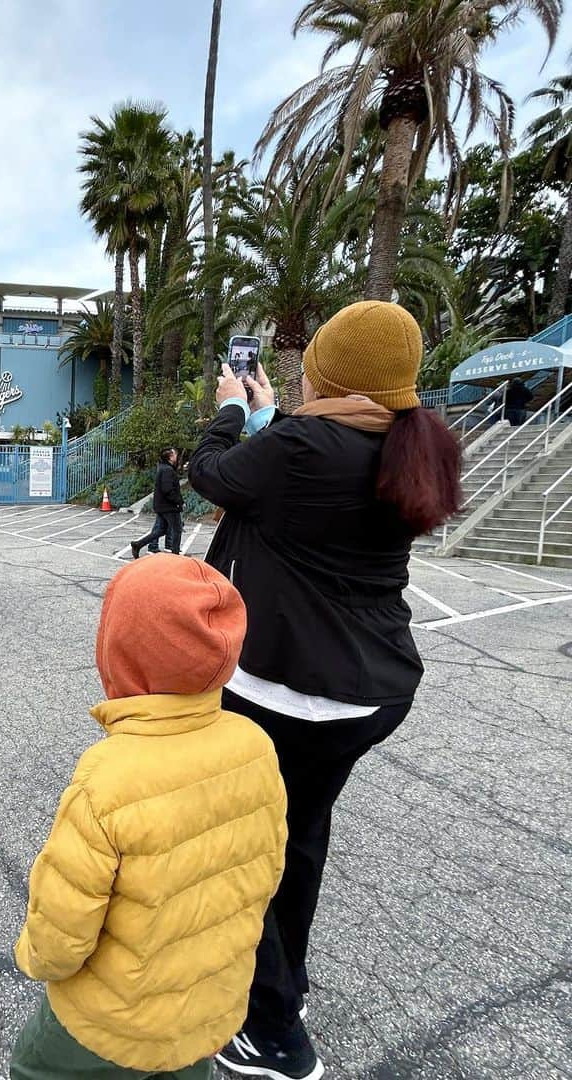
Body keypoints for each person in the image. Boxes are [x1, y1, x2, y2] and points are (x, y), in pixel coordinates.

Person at [188, 301, 462, 1080]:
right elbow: (307, 480)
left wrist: (234, 409)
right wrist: (275, 415)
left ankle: (273, 1035)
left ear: (331, 376)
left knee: (243, 850)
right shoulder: (417, 443)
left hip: (289, 689)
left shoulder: (307, 444)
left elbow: (215, 473)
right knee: (300, 831)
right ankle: (289, 984)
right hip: (370, 689)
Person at [10, 556, 287, 1079]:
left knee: (33, 1068)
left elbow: (64, 927)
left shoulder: (107, 776)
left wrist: (36, 961)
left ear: (119, 655)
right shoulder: (256, 745)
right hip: (209, 1001)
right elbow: (266, 874)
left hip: (112, 1017)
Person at [130, 447, 183, 559]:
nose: (176, 456)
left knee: (161, 530)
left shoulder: (164, 468)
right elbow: (167, 489)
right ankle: (175, 556)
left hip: (163, 506)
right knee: (176, 530)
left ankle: (138, 544)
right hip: (169, 507)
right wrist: (178, 501)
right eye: (174, 454)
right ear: (170, 457)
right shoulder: (167, 470)